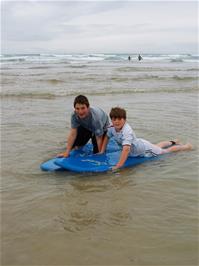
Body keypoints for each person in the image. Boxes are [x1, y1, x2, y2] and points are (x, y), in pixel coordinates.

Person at [100, 107, 193, 170]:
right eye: (114, 119)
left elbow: (126, 149)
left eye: (119, 119)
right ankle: (173, 141)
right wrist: (102, 151)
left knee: (163, 151)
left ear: (125, 119)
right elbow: (107, 136)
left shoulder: (127, 131)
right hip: (140, 143)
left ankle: (185, 147)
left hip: (143, 150)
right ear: (111, 120)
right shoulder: (111, 127)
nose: (116, 122)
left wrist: (119, 165)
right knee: (157, 146)